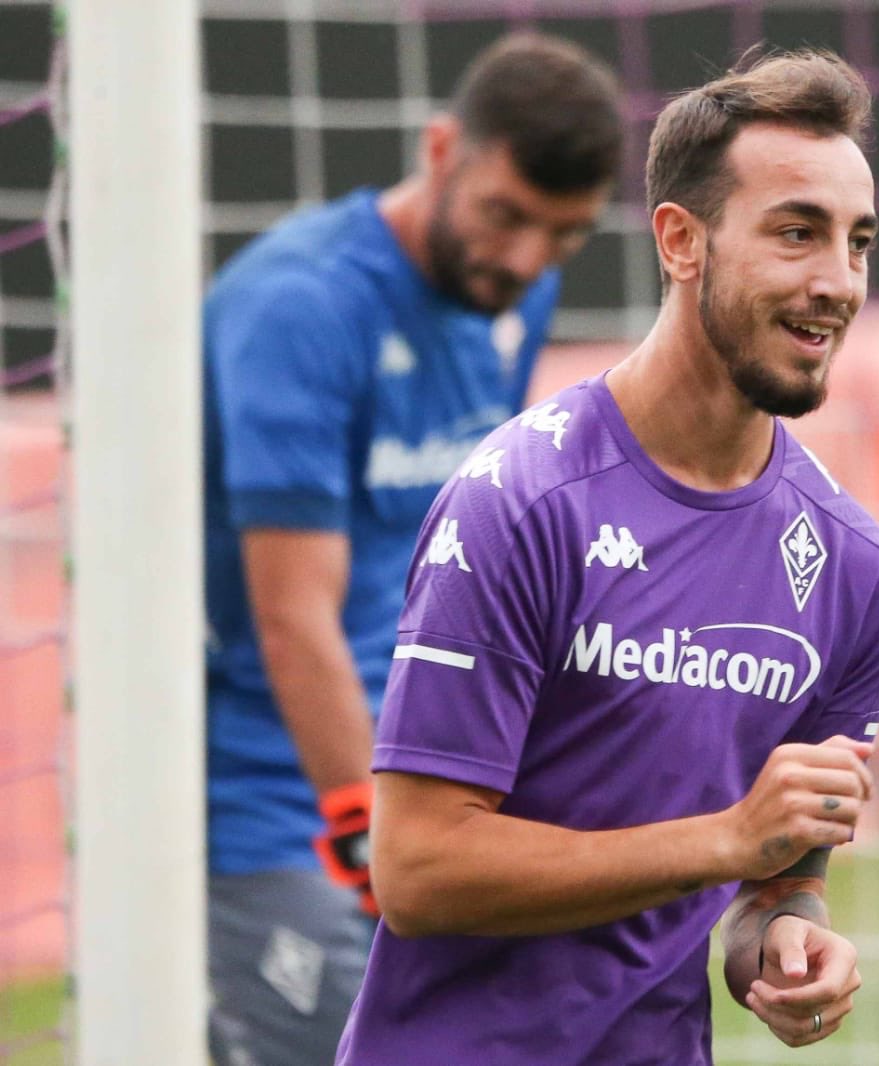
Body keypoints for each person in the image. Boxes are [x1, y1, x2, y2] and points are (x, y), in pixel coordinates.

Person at [335, 49, 879, 1065]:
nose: (836, 283)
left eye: (855, 242)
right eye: (796, 233)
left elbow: (776, 878)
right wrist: (726, 838)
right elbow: (416, 870)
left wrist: (785, 940)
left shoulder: (857, 570)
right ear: (682, 241)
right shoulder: (521, 500)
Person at [202, 32, 623, 1066]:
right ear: (440, 150)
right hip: (267, 798)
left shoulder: (511, 293)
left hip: (431, 778)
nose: (524, 259)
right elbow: (294, 618)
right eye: (505, 215)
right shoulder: (300, 307)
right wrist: (378, 843)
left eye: (563, 235)